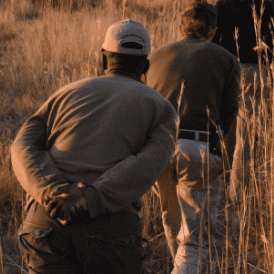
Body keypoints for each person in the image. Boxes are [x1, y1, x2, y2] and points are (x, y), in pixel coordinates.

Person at [11, 19, 177, 274]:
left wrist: (53, 192)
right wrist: (89, 200)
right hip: (108, 229)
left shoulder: (64, 93)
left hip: (46, 221)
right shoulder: (161, 107)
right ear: (145, 66)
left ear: (103, 59)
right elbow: (148, 164)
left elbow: (22, 146)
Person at [146, 0, 241, 274]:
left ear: (181, 26)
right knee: (195, 240)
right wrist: (226, 163)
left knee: (171, 219)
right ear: (213, 29)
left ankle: (182, 266)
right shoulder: (226, 59)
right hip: (199, 148)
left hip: (158, 149)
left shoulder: (153, 57)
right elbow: (229, 117)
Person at [211, 0, 274, 199]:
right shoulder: (264, 6)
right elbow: (271, 42)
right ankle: (237, 192)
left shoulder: (223, 5)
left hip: (227, 71)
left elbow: (213, 41)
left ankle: (217, 188)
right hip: (255, 72)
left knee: (223, 129)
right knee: (245, 138)